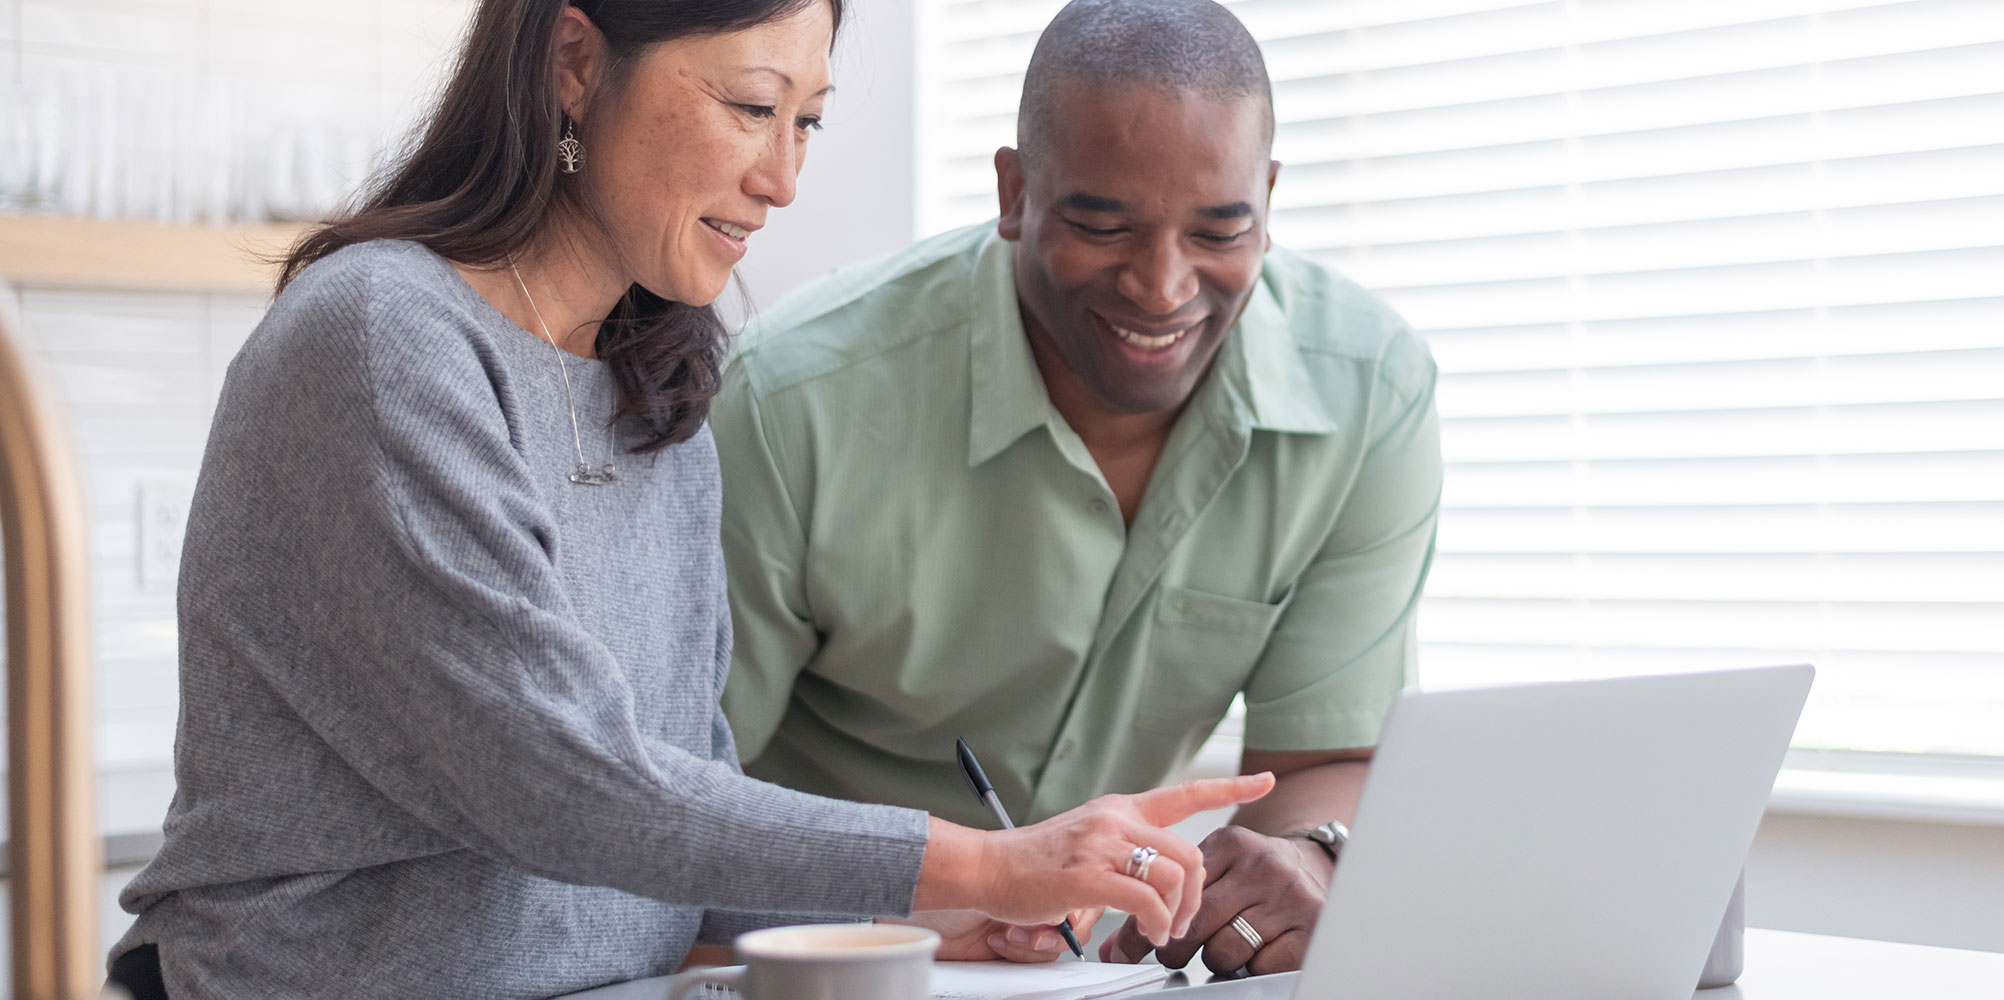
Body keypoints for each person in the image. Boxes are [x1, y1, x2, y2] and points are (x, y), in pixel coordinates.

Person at [104, 1, 1269, 997]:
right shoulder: (382, 340)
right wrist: (983, 862)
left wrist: (923, 926)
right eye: (752, 107)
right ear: (573, 62)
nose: (783, 177)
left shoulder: (652, 392)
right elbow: (563, 788)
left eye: (807, 121)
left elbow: (677, 822)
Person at [713, 0, 1441, 978]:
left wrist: (1304, 860)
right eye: (1104, 225)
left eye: (1221, 229)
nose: (1162, 286)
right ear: (1014, 194)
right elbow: (667, 797)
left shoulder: (1368, 390)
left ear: (1267, 199)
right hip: (831, 964)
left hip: (1101, 977)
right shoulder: (791, 401)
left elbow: (1326, 761)